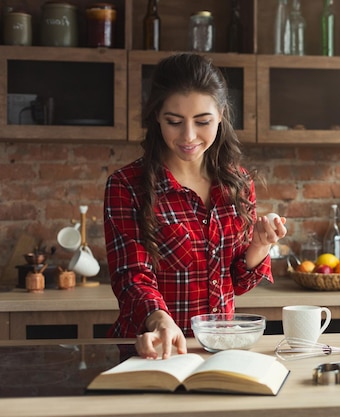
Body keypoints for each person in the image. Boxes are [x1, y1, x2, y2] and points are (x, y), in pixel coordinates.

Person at [104, 52, 286, 359]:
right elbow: (132, 276)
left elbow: (237, 283)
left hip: (217, 352)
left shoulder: (237, 184)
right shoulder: (127, 185)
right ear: (156, 117)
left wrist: (259, 245)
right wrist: (160, 319)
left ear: (221, 115)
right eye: (174, 122)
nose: (188, 136)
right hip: (152, 351)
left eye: (202, 121)